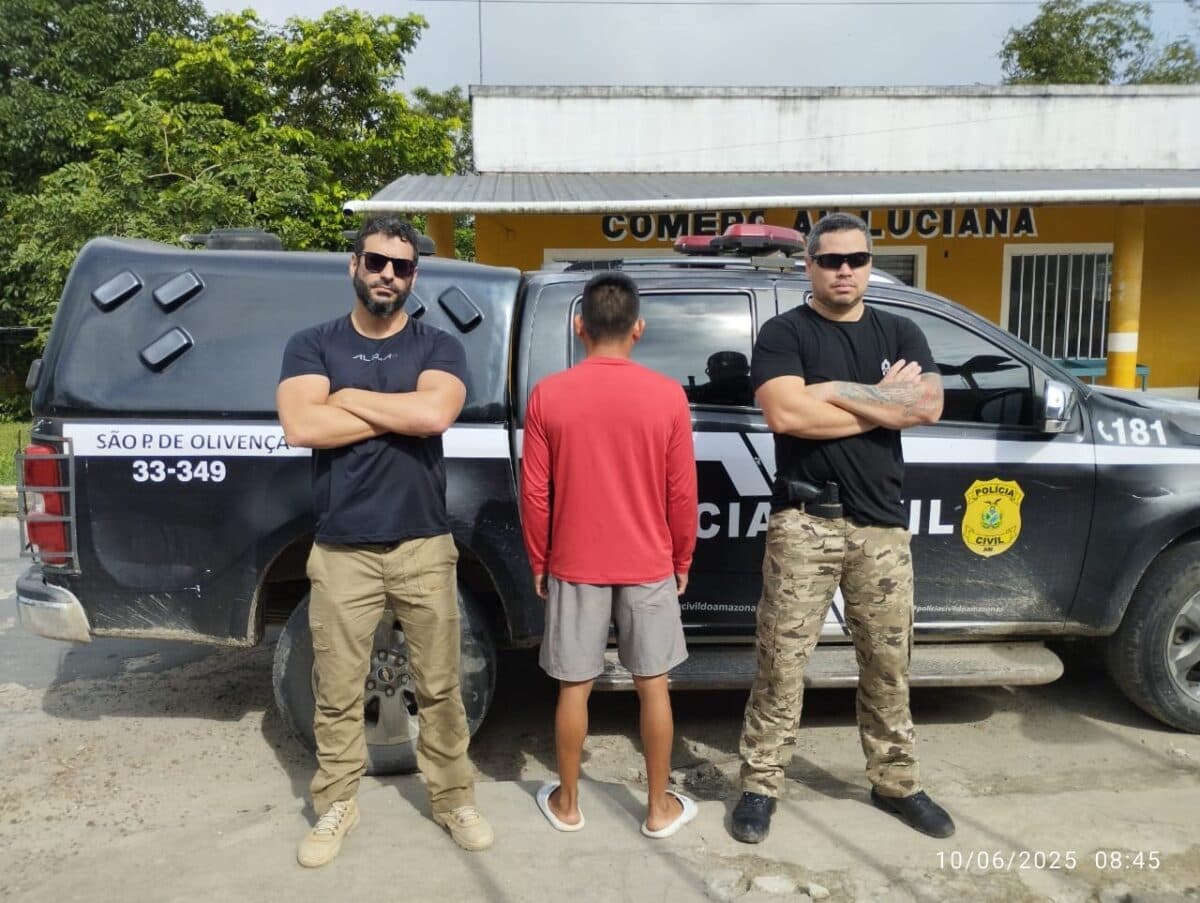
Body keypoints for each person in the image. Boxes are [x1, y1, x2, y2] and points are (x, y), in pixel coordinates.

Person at [730, 212, 955, 843]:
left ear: (870, 262)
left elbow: (929, 405)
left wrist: (828, 393)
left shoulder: (901, 327)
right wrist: (882, 403)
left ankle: (896, 783)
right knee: (781, 662)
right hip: (805, 523)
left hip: (880, 529)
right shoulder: (784, 333)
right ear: (809, 265)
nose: (844, 270)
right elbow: (785, 414)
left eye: (855, 259)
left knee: (887, 664)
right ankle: (759, 786)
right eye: (830, 260)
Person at [277, 215, 493, 868]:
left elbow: (433, 414)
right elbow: (299, 425)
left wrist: (348, 398)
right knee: (337, 687)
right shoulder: (311, 343)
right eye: (376, 262)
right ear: (354, 265)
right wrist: (387, 408)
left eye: (400, 266)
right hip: (343, 547)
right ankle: (336, 802)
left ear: (413, 276)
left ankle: (453, 796)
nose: (387, 275)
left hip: (423, 546)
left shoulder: (439, 346)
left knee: (440, 684)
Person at [520, 271, 700, 839]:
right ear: (638, 329)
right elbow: (681, 492)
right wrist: (683, 559)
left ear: (580, 327)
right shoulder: (667, 396)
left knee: (574, 687)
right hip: (649, 562)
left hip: (574, 562)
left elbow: (535, 493)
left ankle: (569, 804)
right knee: (654, 685)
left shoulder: (549, 394)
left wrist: (539, 560)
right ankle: (656, 809)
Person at [689, 350, 754, 406]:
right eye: (713, 370)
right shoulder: (759, 392)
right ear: (747, 370)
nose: (711, 374)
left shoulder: (700, 393)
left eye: (717, 370)